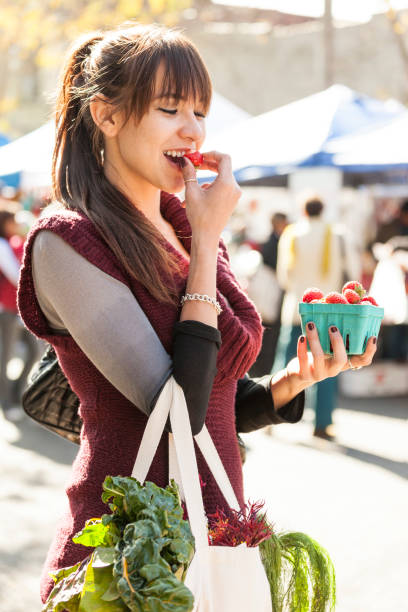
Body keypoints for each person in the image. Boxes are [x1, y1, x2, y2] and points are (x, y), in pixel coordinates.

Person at [17, 24, 377, 604]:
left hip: (214, 539)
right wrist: (208, 240)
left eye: (200, 111)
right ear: (106, 116)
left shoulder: (185, 225)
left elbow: (214, 409)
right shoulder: (68, 242)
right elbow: (175, 411)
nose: (193, 129)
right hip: (127, 559)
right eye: (169, 108)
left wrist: (292, 382)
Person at [276, 196, 361, 440]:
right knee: (328, 367)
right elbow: (352, 274)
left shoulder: (291, 233)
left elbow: (284, 276)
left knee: (284, 364)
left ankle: (272, 415)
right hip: (328, 314)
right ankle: (322, 423)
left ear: (303, 210)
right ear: (323, 210)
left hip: (296, 309)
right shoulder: (337, 234)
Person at [0, 206, 39, 421]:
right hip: (7, 309)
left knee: (34, 352)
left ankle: (14, 394)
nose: (16, 225)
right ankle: (6, 402)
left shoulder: (13, 243)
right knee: (5, 357)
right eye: (12, 221)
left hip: (17, 309)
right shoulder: (3, 245)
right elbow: (16, 276)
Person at [249, 212, 288, 377]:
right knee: (269, 334)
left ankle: (260, 368)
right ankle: (262, 369)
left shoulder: (271, 241)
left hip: (268, 294)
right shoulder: (275, 242)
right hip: (271, 295)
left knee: (267, 332)